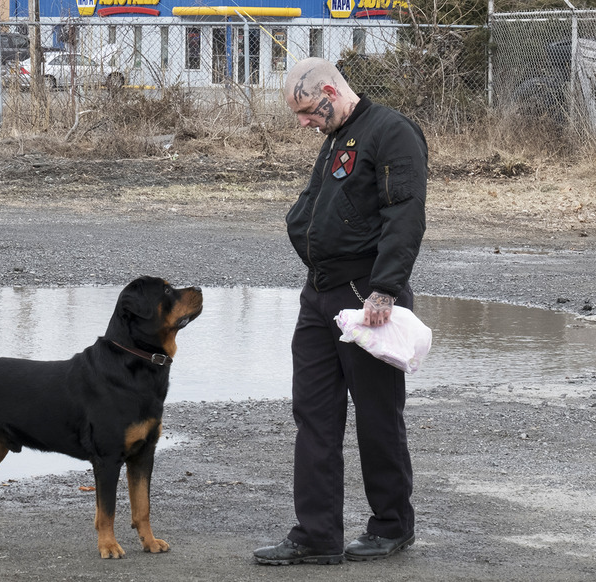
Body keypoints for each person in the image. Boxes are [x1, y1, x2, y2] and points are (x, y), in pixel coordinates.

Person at [253, 57, 428, 566]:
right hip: (320, 295)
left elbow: (405, 213)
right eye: (300, 115)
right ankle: (317, 536)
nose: (305, 122)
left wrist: (385, 290)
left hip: (366, 296)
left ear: (330, 89)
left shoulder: (391, 132)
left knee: (377, 417)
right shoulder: (336, 133)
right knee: (313, 415)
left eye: (308, 110)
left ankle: (392, 526)